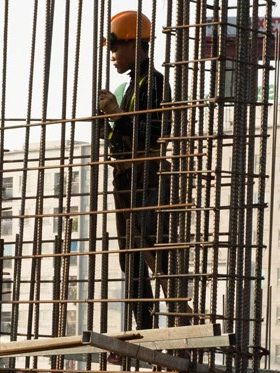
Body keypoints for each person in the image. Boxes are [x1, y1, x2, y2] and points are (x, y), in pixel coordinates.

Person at [97, 10, 169, 330]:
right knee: (131, 259)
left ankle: (179, 316)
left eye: (116, 47)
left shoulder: (154, 83)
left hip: (146, 176)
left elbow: (147, 135)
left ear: (135, 45)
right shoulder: (127, 88)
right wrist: (107, 119)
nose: (112, 55)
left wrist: (116, 114)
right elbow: (117, 136)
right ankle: (147, 327)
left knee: (153, 250)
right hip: (124, 176)